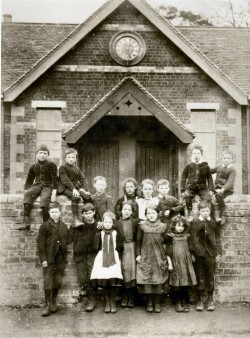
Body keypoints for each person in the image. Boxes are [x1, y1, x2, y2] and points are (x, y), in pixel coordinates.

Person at [37, 201, 71, 317]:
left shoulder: (64, 226)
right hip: (49, 258)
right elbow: (40, 245)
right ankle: (47, 304)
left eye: (56, 212)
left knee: (57, 280)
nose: (54, 214)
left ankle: (53, 301)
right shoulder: (45, 226)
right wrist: (43, 259)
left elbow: (68, 240)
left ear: (60, 213)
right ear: (49, 213)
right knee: (48, 281)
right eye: (52, 212)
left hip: (60, 258)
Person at [136, 204, 169, 313]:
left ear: (158, 214)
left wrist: (166, 254)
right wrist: (138, 254)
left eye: (153, 213)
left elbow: (166, 241)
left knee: (158, 278)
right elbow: (138, 241)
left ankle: (157, 302)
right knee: (147, 278)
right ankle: (149, 302)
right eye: (148, 213)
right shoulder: (142, 226)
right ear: (145, 215)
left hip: (158, 256)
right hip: (146, 254)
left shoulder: (163, 226)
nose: (151, 215)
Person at [189, 201, 222, 312]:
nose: (205, 213)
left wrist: (218, 252)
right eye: (203, 211)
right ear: (199, 211)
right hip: (199, 254)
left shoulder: (213, 222)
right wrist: (192, 253)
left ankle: (210, 299)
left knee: (210, 276)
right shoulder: (195, 222)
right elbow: (192, 239)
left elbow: (217, 237)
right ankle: (200, 300)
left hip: (210, 253)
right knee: (200, 276)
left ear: (210, 211)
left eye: (207, 211)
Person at [18, 144, 57, 230]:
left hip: (48, 185)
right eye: (40, 153)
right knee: (28, 194)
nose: (43, 155)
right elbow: (29, 180)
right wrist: (26, 189)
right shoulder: (33, 166)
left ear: (48, 155)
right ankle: (26, 222)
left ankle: (46, 225)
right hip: (38, 184)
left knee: (44, 200)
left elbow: (55, 179)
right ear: (37, 154)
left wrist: (54, 191)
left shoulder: (51, 165)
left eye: (45, 153)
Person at [90, 212, 123, 314]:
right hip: (102, 259)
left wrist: (117, 257)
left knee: (112, 280)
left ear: (113, 223)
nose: (108, 223)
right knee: (104, 280)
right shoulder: (99, 234)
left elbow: (120, 246)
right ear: (102, 223)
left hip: (113, 258)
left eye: (110, 222)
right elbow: (95, 247)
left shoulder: (116, 234)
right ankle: (107, 302)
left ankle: (112, 302)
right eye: (106, 222)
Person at [166, 215, 197, 313]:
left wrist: (192, 255)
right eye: (178, 226)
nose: (180, 228)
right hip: (175, 261)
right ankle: (177, 302)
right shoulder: (170, 237)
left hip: (186, 261)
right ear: (174, 226)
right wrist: (169, 262)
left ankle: (185, 301)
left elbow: (191, 248)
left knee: (186, 282)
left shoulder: (187, 236)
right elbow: (168, 252)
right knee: (176, 283)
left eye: (182, 226)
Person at [71, 202, 99, 312]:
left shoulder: (98, 226)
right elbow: (70, 238)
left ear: (94, 213)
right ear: (82, 215)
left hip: (92, 255)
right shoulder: (79, 226)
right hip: (80, 255)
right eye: (85, 213)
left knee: (92, 276)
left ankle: (92, 299)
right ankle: (89, 298)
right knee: (83, 277)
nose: (88, 215)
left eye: (90, 213)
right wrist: (72, 227)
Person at [58, 148, 91, 227]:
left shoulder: (77, 168)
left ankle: (87, 218)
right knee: (75, 197)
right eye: (69, 157)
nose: (71, 159)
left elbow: (83, 179)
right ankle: (75, 220)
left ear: (76, 159)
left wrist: (85, 189)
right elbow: (65, 180)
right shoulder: (63, 167)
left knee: (87, 197)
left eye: (73, 157)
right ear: (65, 158)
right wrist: (73, 189)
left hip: (74, 188)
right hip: (64, 188)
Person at [180, 145, 214, 221]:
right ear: (192, 155)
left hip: (202, 188)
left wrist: (211, 189)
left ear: (201, 154)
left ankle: (202, 213)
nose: (196, 155)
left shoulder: (205, 166)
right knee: (187, 197)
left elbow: (209, 178)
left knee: (207, 198)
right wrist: (182, 190)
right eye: (194, 153)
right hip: (191, 187)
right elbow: (183, 178)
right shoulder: (188, 166)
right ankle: (190, 214)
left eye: (198, 153)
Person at [116, 201, 139, 308]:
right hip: (123, 249)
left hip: (133, 248)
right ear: (120, 211)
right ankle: (124, 296)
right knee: (124, 271)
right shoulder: (117, 223)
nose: (126, 211)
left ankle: (132, 297)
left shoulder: (136, 222)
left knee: (133, 272)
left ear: (132, 212)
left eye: (129, 210)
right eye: (124, 209)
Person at [211, 149, 236, 225]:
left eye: (228, 158)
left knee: (218, 196)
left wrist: (222, 189)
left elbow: (230, 182)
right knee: (210, 196)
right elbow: (211, 170)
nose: (226, 160)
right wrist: (204, 168)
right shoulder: (219, 166)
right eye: (224, 158)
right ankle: (215, 215)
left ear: (232, 159)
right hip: (217, 188)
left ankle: (223, 214)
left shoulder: (232, 170)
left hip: (226, 190)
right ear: (221, 159)